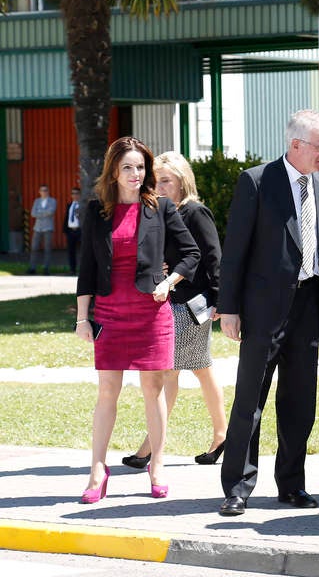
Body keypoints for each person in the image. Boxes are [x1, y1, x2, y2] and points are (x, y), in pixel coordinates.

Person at [217, 109, 319, 517]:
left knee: (300, 402)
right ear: (296, 145)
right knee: (250, 399)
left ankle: (292, 484)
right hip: (262, 309)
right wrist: (228, 309)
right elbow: (234, 250)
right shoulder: (256, 181)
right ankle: (237, 486)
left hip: (308, 306)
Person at [75, 136, 200, 504]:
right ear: (114, 170)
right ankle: (98, 469)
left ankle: (156, 464)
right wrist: (84, 318)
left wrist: (168, 282)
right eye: (127, 167)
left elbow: (190, 255)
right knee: (107, 393)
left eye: (140, 167)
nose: (135, 174)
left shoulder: (160, 207)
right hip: (111, 313)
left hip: (152, 313)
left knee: (153, 390)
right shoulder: (97, 211)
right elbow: (87, 268)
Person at [121, 151, 227, 470]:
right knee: (199, 368)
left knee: (169, 371)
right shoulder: (161, 213)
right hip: (169, 302)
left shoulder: (195, 212)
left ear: (182, 180)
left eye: (167, 180)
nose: (160, 186)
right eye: (157, 181)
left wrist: (222, 299)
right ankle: (223, 434)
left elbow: (213, 256)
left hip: (191, 304)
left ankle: (151, 446)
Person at [27, 184, 57, 275]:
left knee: (47, 249)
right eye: (42, 190)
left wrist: (39, 212)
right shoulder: (37, 201)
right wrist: (44, 213)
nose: (44, 192)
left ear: (48, 191)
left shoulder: (53, 201)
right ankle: (32, 268)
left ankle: (46, 268)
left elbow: (51, 212)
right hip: (37, 228)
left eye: (45, 190)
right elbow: (33, 213)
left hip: (48, 228)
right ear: (39, 192)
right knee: (34, 248)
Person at [63, 187, 82, 275]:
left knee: (82, 252)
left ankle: (83, 270)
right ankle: (72, 269)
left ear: (80, 195)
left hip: (80, 231)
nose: (75, 195)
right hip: (70, 231)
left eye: (76, 193)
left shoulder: (82, 205)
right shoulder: (69, 205)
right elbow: (66, 218)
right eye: (73, 193)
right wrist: (66, 230)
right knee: (71, 251)